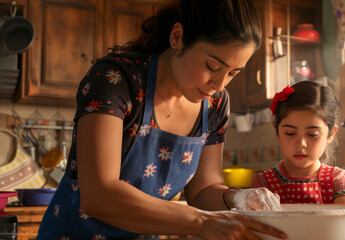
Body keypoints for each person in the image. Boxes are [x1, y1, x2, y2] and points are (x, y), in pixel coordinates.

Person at [36, 0, 288, 239]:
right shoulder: (116, 79)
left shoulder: (215, 104)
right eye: (212, 66)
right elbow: (99, 194)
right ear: (177, 37)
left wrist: (234, 198)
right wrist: (201, 222)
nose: (219, 84)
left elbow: (203, 190)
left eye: (233, 73)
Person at [251, 81, 345, 205]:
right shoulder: (264, 183)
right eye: (290, 133)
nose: (301, 143)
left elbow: (344, 220)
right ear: (277, 132)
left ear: (331, 134)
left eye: (312, 134)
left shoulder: (337, 180)